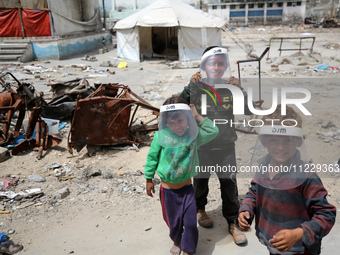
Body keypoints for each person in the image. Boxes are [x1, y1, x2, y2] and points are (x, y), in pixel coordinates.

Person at [237, 105, 336, 255]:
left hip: (299, 249)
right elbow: (254, 191)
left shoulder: (306, 176)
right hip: (273, 242)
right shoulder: (263, 166)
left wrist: (299, 233)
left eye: (287, 141)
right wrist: (246, 209)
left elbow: (326, 214)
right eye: (274, 140)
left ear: (298, 142)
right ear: (264, 141)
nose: (280, 147)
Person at [179, 46, 252, 244]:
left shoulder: (229, 88)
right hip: (202, 146)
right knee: (200, 182)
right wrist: (189, 87)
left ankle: (232, 222)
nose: (217, 67)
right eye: (212, 63)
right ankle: (200, 210)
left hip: (226, 145)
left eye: (221, 63)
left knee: (229, 184)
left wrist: (240, 89)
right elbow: (178, 105)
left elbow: (247, 110)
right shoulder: (196, 87)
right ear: (204, 66)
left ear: (226, 66)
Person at [144, 96, 219, 255]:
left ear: (188, 119)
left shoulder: (193, 136)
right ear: (165, 122)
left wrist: (197, 115)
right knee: (174, 223)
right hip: (168, 192)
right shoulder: (161, 137)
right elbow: (151, 158)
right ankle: (177, 240)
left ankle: (188, 249)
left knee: (191, 224)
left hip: (187, 190)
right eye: (171, 123)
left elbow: (213, 130)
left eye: (181, 121)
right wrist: (148, 179)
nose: (177, 126)